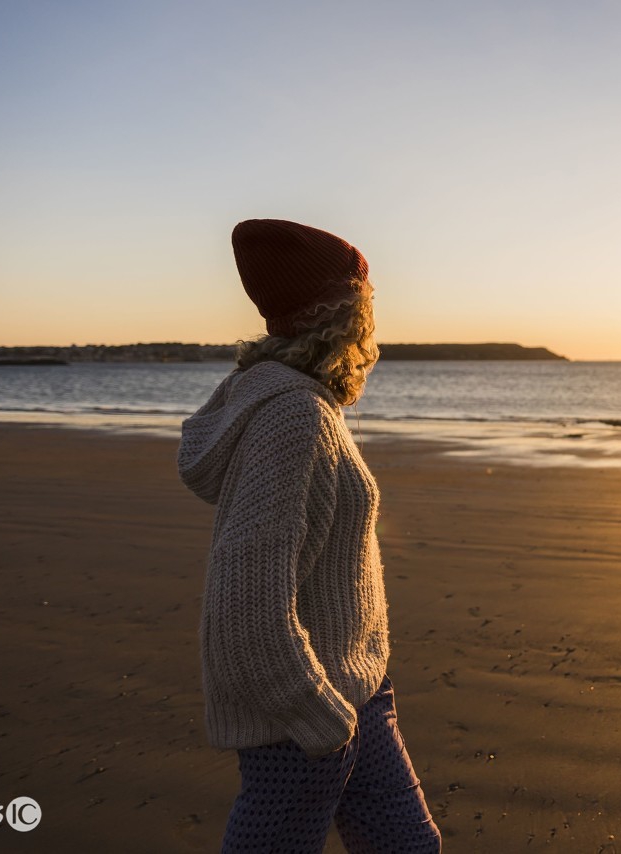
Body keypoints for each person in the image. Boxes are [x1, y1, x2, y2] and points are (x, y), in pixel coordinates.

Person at [177, 218, 441, 853]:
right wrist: (315, 717)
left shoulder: (300, 402)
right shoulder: (294, 418)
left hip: (358, 691)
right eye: (366, 302)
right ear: (343, 314)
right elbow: (245, 609)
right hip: (303, 717)